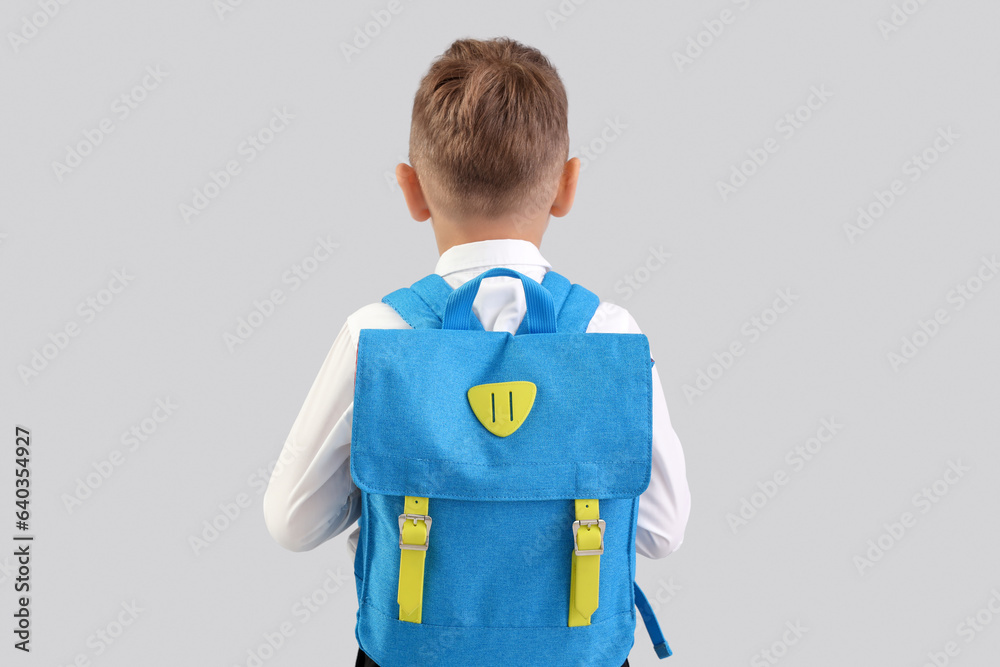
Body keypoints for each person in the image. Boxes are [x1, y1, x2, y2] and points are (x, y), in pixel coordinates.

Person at [263, 36, 691, 667]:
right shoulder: (612, 335)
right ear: (567, 185)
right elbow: (661, 532)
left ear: (411, 190)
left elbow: (291, 524)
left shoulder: (375, 335)